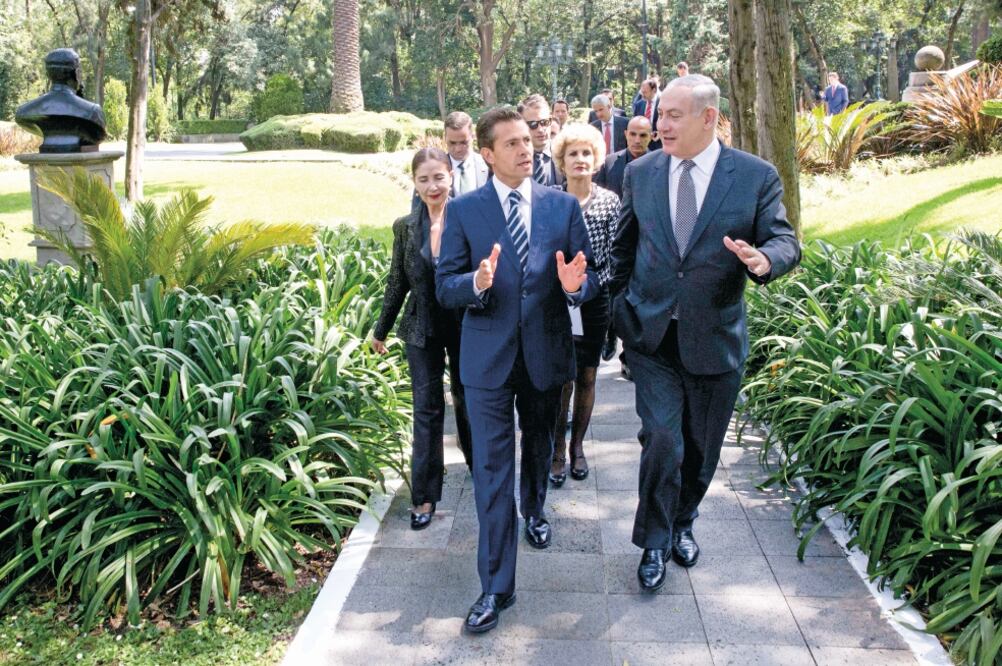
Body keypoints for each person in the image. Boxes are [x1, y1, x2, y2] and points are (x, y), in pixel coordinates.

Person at [609, 74, 801, 591]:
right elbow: (624, 249)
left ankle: (682, 522)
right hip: (650, 337)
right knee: (663, 440)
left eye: (672, 114)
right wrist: (616, 310)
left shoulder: (755, 176)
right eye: (657, 112)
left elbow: (785, 239)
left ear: (708, 117)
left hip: (714, 337)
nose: (657, 123)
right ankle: (653, 542)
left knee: (700, 449)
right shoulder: (642, 172)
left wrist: (765, 260)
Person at [436, 106, 598, 633]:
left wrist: (577, 287)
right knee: (490, 471)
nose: (524, 149)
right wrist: (476, 283)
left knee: (537, 450)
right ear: (486, 154)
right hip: (486, 360)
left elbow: (587, 276)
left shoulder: (561, 207)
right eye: (510, 143)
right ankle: (495, 586)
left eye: (527, 140)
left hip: (546, 355)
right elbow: (445, 286)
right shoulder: (463, 212)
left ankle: (536, 509)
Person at [372, 148, 475, 530]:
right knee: (427, 410)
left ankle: (480, 472)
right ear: (414, 183)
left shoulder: (469, 217)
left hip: (465, 325)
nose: (433, 186)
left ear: (451, 176)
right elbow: (396, 282)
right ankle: (425, 495)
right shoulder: (405, 226)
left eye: (439, 177)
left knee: (468, 401)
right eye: (424, 179)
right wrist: (380, 330)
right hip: (421, 329)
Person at [548, 123, 621, 487]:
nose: (580, 159)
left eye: (586, 153)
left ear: (596, 159)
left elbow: (613, 259)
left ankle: (578, 447)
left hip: (594, 298)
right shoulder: (550, 200)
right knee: (561, 378)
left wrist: (588, 289)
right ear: (562, 161)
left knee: (587, 375)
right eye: (572, 153)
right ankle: (557, 449)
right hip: (557, 300)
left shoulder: (610, 201)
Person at [593, 115, 654, 371]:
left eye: (643, 135)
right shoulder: (611, 163)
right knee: (618, 294)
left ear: (652, 137)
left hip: (648, 244)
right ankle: (611, 333)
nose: (637, 140)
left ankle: (631, 357)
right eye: (633, 134)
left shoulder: (660, 162)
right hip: (616, 242)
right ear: (625, 134)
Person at [520, 94, 563, 187]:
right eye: (533, 124)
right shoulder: (511, 160)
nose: (540, 129)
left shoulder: (565, 154)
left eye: (544, 122)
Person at [444, 111, 489, 197]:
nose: (458, 149)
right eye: (452, 143)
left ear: (473, 136)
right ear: (445, 137)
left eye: (464, 142)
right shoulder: (435, 169)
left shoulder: (489, 166)